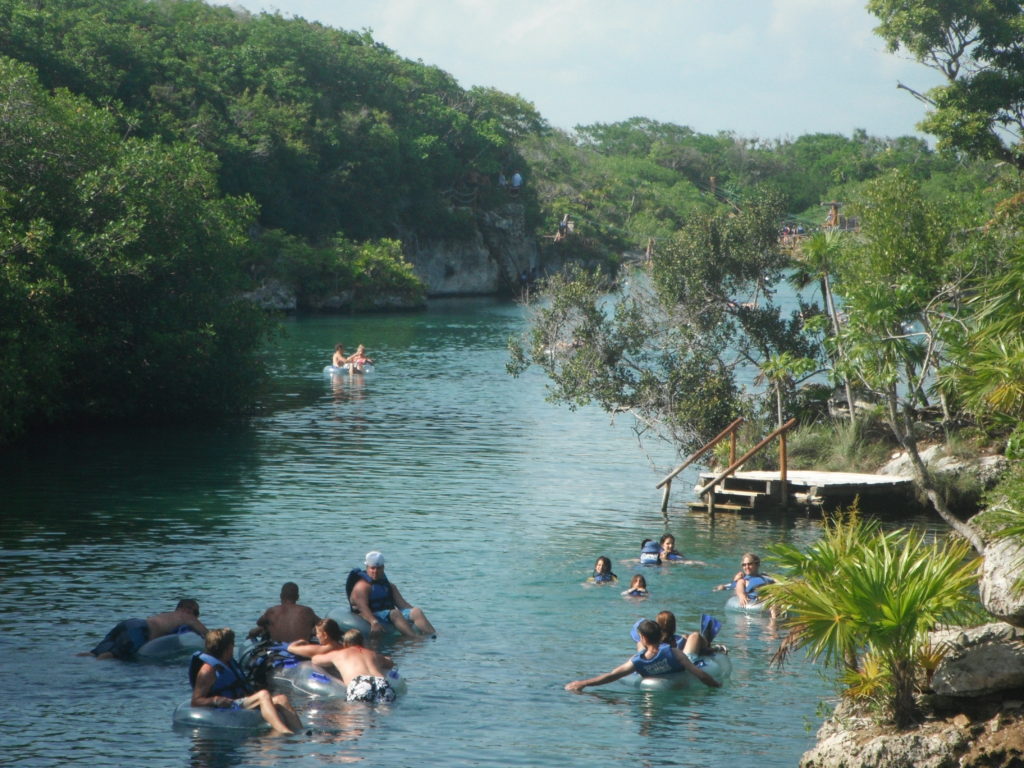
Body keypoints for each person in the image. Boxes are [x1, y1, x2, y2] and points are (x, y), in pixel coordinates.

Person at [190, 628, 302, 734]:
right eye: (232, 644)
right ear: (227, 647)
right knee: (263, 695)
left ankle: (300, 732)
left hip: (239, 700)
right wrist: (215, 700)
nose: (234, 647)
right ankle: (283, 731)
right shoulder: (208, 671)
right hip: (227, 705)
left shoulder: (228, 662)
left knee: (282, 699)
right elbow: (195, 701)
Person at [565, 619, 722, 692]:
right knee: (694, 636)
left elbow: (612, 676)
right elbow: (699, 674)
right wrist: (716, 686)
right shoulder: (674, 653)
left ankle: (706, 646)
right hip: (681, 667)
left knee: (641, 648)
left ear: (644, 638)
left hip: (652, 668)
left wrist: (583, 683)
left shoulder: (637, 662)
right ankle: (707, 645)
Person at [347, 551, 436, 638]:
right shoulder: (361, 587)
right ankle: (414, 638)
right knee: (395, 613)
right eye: (372, 568)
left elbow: (403, 605)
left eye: (379, 568)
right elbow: (362, 608)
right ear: (367, 568)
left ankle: (434, 635)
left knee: (416, 611)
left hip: (386, 614)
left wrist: (412, 616)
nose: (375, 571)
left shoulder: (389, 586)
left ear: (383, 568)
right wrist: (374, 622)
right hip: (372, 614)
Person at [82, 599, 208, 660]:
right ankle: (94, 667)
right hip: (140, 631)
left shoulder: (166, 615)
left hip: (131, 624)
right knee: (114, 655)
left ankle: (84, 656)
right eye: (196, 612)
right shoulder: (188, 617)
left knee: (95, 652)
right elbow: (209, 635)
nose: (197, 616)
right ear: (189, 609)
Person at [312, 629, 397, 704]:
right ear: (362, 642)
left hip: (360, 683)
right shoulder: (373, 654)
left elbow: (315, 660)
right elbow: (391, 663)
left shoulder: (339, 654)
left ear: (345, 644)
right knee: (384, 715)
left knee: (354, 718)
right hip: (381, 682)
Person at [248, 582, 320, 643]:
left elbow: (259, 623)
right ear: (297, 597)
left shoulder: (272, 611)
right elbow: (323, 625)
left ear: (281, 596)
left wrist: (265, 628)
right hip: (301, 651)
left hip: (278, 653)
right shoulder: (307, 611)